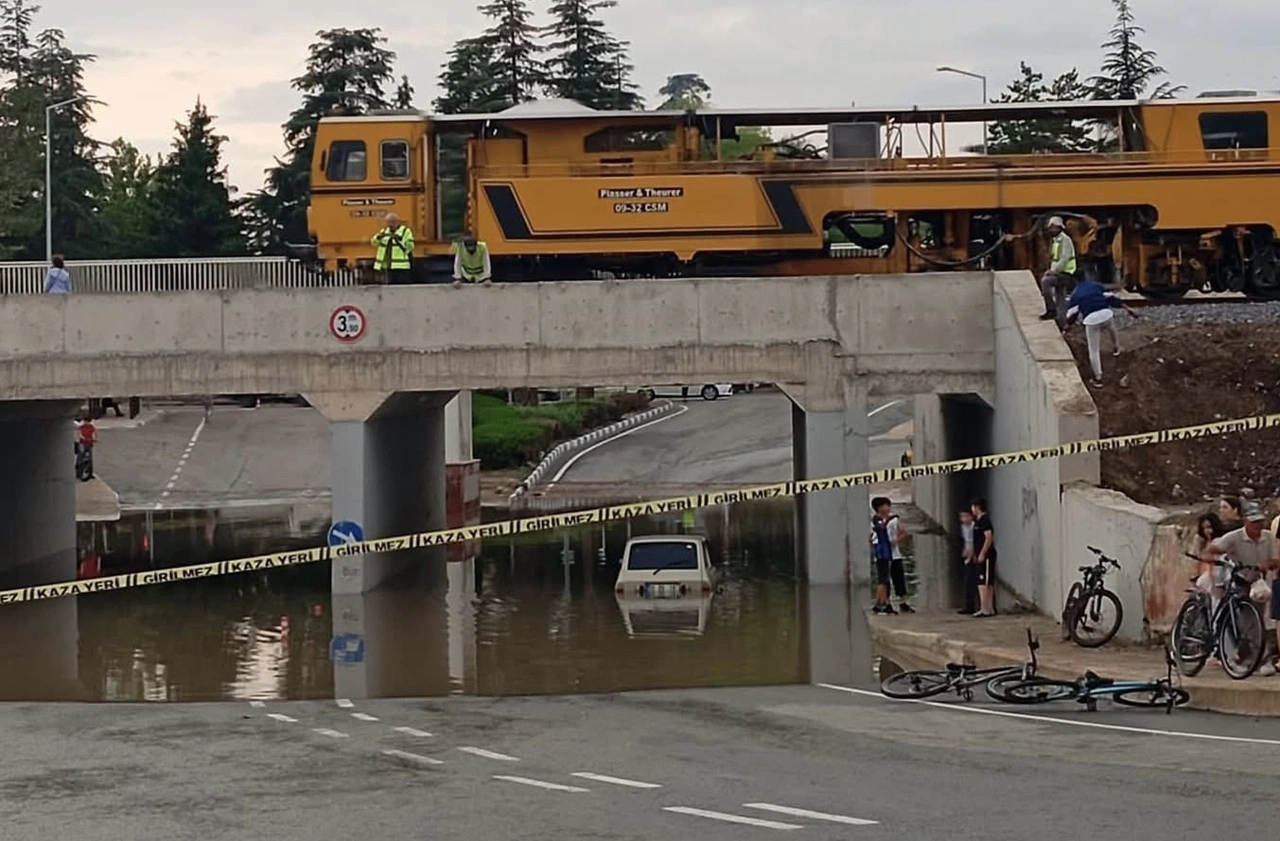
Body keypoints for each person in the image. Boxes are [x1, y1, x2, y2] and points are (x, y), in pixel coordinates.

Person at [1201, 502, 1280, 676]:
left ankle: (1244, 658)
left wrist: (1266, 564)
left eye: (1260, 522)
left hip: (1257, 582)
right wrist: (1210, 559)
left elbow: (1276, 562)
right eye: (1254, 523)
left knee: (1254, 622)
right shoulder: (1234, 537)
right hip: (1238, 580)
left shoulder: (1267, 537)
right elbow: (1212, 549)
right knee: (1249, 623)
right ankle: (1258, 659)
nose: (1257, 527)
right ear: (1246, 522)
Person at [1063, 277, 1141, 387]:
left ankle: (1098, 379)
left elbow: (1072, 317)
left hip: (1092, 320)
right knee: (1111, 326)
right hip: (1106, 314)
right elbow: (1112, 300)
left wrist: (1066, 329)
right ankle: (1116, 348)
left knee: (1093, 351)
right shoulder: (1096, 285)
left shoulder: (1075, 295)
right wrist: (1128, 309)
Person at [870, 496, 912, 615]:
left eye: (888, 505)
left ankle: (903, 602)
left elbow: (903, 533)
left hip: (895, 554)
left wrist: (896, 541)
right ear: (878, 508)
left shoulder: (894, 520)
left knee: (898, 578)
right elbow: (871, 537)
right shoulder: (874, 521)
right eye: (884, 506)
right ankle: (885, 603)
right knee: (884, 580)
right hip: (882, 555)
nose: (887, 508)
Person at [1039, 216, 1076, 323]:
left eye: (1052, 228)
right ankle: (1062, 320)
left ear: (1058, 227)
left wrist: (1052, 272)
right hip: (1061, 273)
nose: (1051, 230)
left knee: (1045, 282)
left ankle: (1051, 310)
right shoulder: (1056, 240)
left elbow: (1064, 258)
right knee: (1060, 294)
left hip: (1066, 273)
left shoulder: (1065, 240)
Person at [971, 497, 997, 617]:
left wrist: (982, 553)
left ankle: (985, 608)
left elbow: (989, 537)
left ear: (977, 507)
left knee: (983, 582)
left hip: (986, 556)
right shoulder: (978, 521)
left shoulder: (984, 521)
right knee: (988, 582)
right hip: (982, 555)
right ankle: (989, 607)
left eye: (973, 507)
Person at [371, 213, 415, 284]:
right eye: (388, 222)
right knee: (390, 288)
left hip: (402, 267)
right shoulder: (384, 231)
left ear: (397, 222)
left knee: (402, 287)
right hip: (388, 266)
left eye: (392, 222)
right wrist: (378, 237)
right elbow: (373, 243)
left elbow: (410, 246)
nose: (390, 225)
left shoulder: (405, 231)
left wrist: (399, 239)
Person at [958, 509, 978, 616]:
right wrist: (964, 552)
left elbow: (974, 543)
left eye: (966, 516)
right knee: (968, 582)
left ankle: (973, 606)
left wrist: (970, 557)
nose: (964, 519)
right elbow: (967, 542)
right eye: (962, 517)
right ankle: (969, 605)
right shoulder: (963, 527)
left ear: (971, 516)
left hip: (975, 557)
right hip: (968, 555)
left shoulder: (974, 527)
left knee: (974, 581)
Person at [75, 415, 97, 481]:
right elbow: (80, 434)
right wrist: (82, 437)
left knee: (90, 458)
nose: (86, 423)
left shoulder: (92, 427)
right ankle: (78, 471)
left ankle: (90, 473)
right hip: (83, 443)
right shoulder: (81, 427)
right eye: (85, 421)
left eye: (87, 421)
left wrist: (94, 438)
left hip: (89, 443)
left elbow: (94, 434)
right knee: (80, 457)